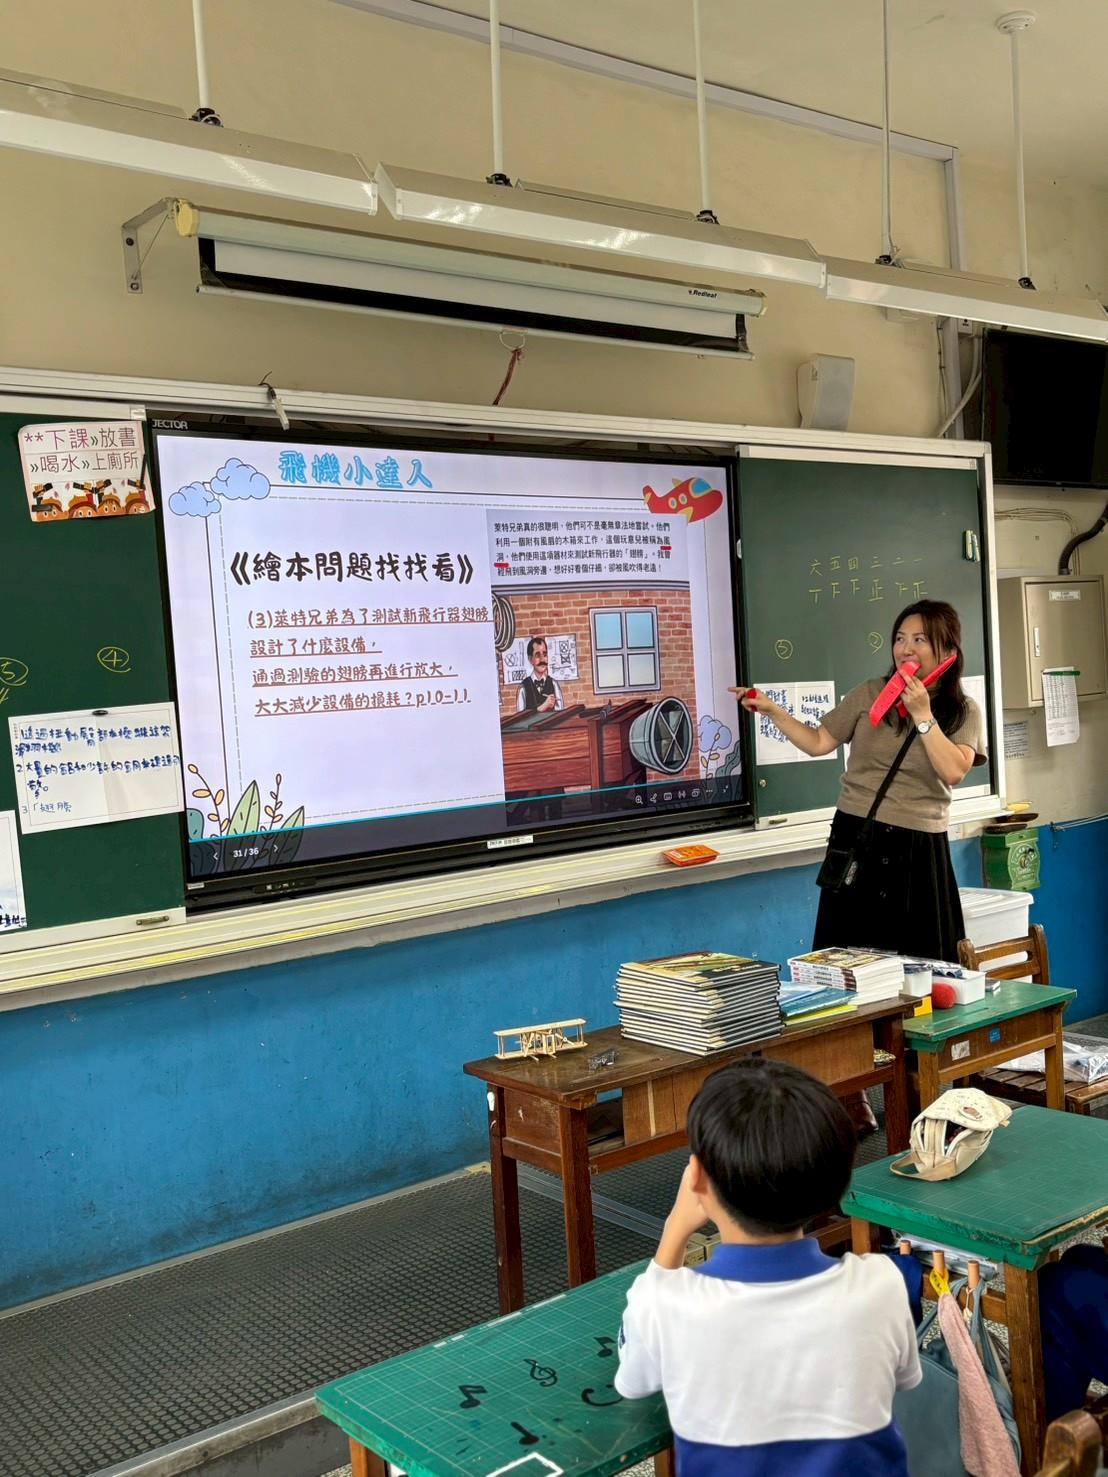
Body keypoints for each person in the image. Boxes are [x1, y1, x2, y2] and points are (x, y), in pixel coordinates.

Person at [614, 1057, 921, 1474]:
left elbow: (633, 1381)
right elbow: (904, 1379)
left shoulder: (665, 1303)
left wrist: (674, 1230)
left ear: (697, 1178)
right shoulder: (881, 1285)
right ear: (835, 1180)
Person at [732, 600, 987, 964]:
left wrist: (922, 714)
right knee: (846, 959)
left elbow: (953, 771)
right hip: (856, 835)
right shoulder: (870, 692)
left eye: (919, 639)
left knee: (918, 964)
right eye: (900, 638)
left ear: (947, 650)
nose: (906, 649)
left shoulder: (962, 710)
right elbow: (819, 741)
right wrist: (772, 710)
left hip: (917, 844)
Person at [516, 636, 564, 714]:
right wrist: (543, 707)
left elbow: (561, 714)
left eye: (545, 655)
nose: (542, 659)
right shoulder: (523, 687)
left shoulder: (554, 684)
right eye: (537, 655)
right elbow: (520, 718)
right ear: (530, 659)